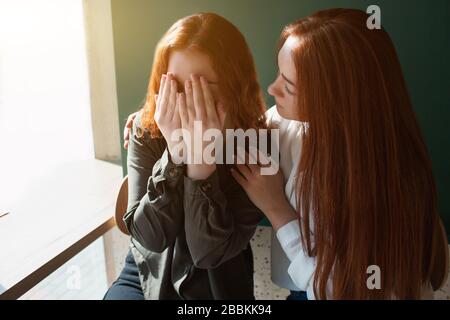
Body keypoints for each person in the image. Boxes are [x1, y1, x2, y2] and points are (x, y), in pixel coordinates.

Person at [231, 8, 448, 299]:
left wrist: (275, 208)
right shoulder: (291, 123)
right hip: (305, 285)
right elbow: (239, 134)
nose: (272, 88)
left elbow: (338, 291)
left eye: (289, 86)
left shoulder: (382, 182)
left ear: (333, 99)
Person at [105, 12, 267, 300]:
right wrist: (175, 154)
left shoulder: (256, 143)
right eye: (176, 86)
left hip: (220, 280)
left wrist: (201, 164)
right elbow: (149, 238)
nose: (185, 100)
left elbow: (209, 253)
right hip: (148, 273)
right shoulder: (147, 127)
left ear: (234, 85)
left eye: (200, 86)